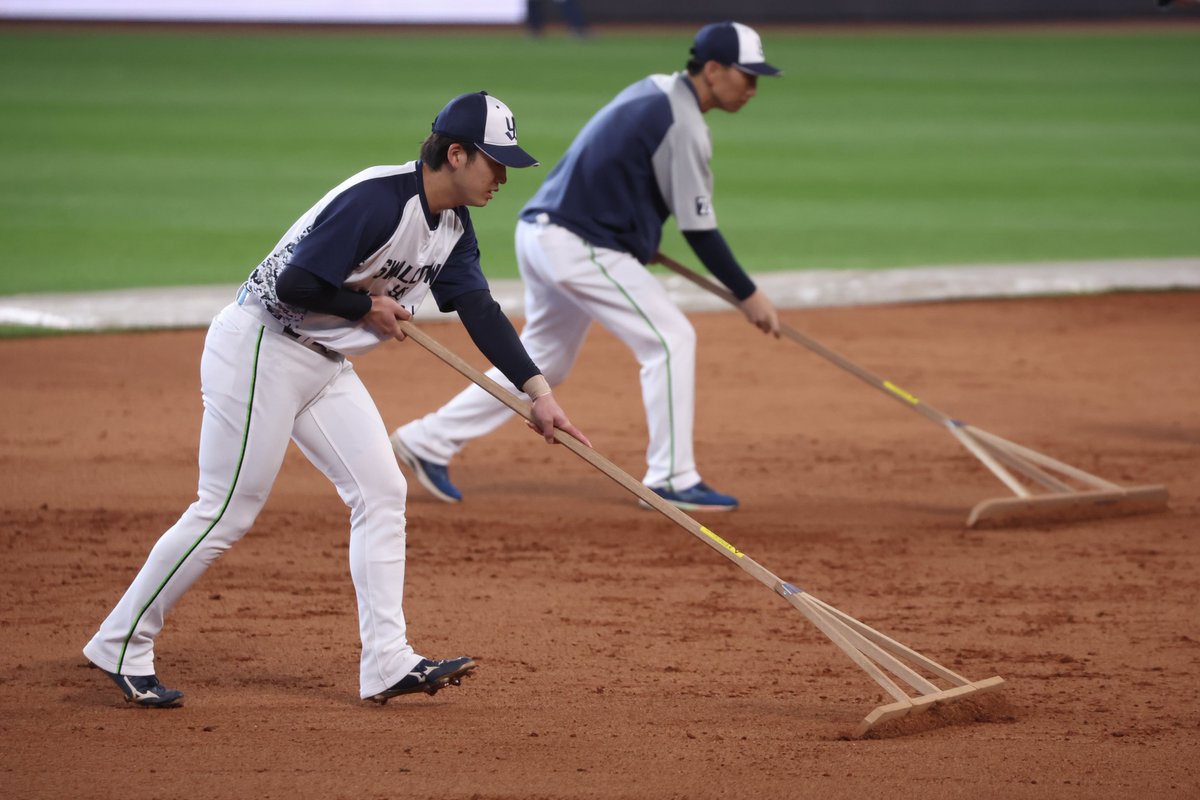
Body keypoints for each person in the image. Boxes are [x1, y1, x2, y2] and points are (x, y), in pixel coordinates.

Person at [81, 91, 588, 708]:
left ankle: (386, 662)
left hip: (324, 364)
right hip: (261, 348)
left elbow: (478, 308)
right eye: (495, 161)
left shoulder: (453, 225)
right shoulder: (378, 200)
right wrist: (363, 307)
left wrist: (538, 392)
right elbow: (293, 284)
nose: (503, 176)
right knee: (225, 511)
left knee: (382, 491)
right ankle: (122, 640)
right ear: (456, 154)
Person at [391, 21, 781, 514]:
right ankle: (673, 476)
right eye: (747, 76)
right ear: (713, 70)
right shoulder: (685, 125)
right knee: (669, 338)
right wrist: (749, 294)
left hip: (545, 233)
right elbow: (700, 231)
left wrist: (636, 231)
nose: (752, 88)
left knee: (545, 358)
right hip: (577, 242)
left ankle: (428, 440)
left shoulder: (655, 90)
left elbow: (620, 167)